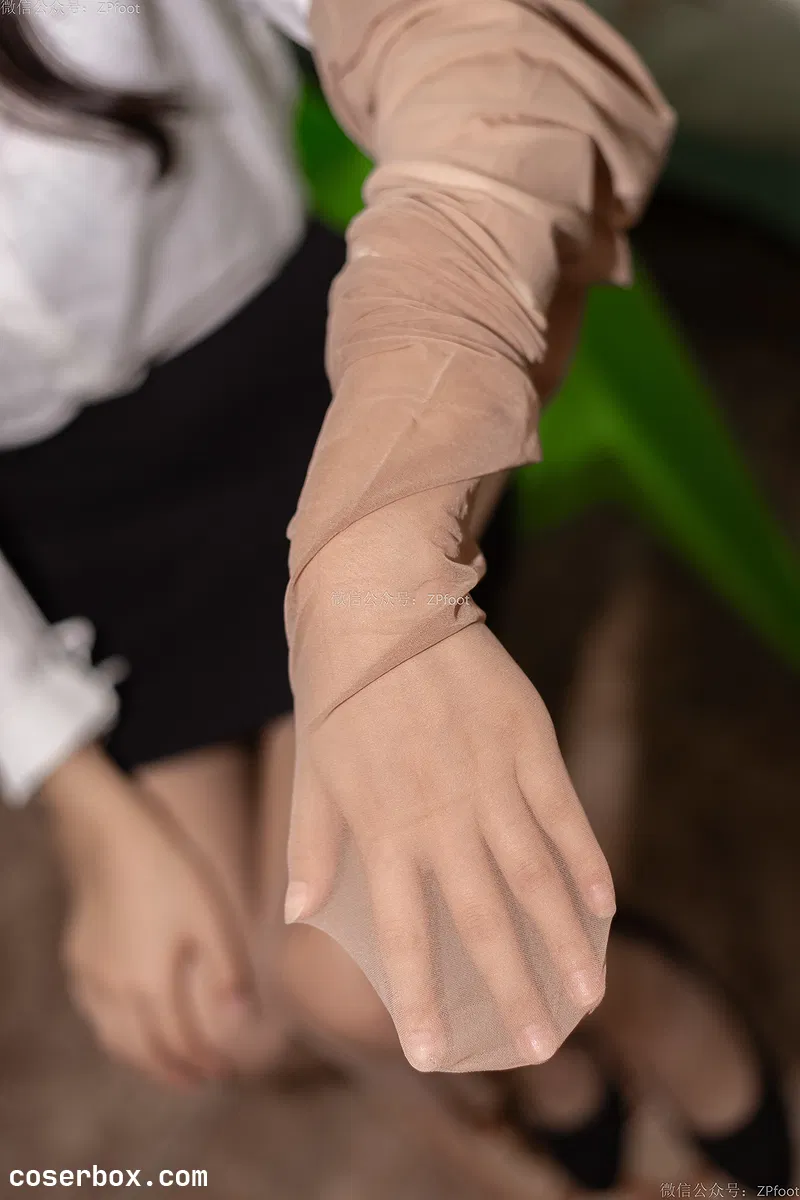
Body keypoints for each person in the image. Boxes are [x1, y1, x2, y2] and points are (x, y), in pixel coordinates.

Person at [0, 0, 672, 1092]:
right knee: (229, 1020)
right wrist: (80, 806)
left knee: (356, 980)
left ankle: (642, 1003)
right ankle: (513, 1094)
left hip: (309, 406)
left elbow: (481, 48)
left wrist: (376, 571)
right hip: (62, 523)